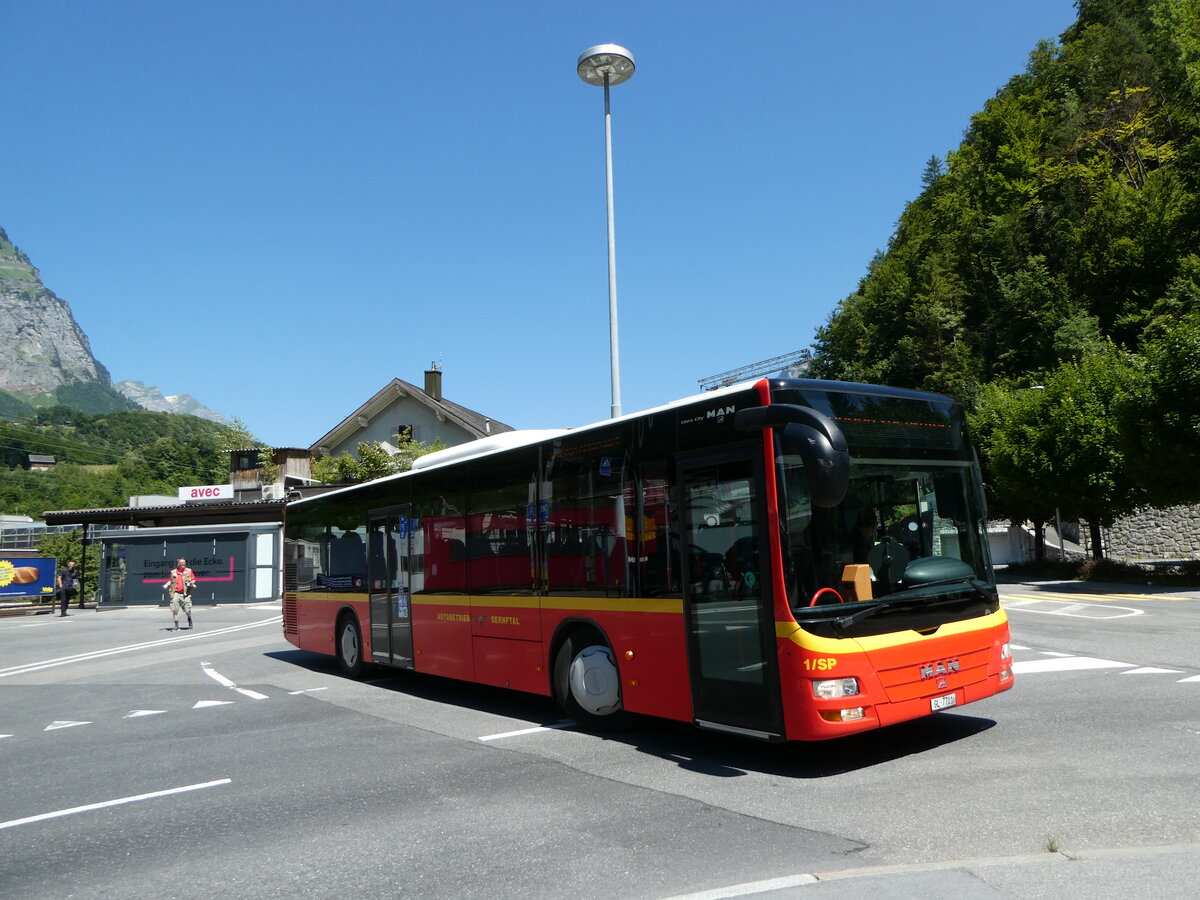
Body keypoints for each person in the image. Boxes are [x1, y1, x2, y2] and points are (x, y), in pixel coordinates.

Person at [164, 558, 196, 631]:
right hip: (176, 593)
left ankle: (189, 619)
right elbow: (171, 581)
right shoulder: (173, 572)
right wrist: (167, 584)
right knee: (174, 609)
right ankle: (176, 625)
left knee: (187, 609)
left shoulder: (189, 571)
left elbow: (193, 579)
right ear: (178, 564)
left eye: (184, 562)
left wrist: (191, 582)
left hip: (185, 593)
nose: (184, 564)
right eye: (182, 563)